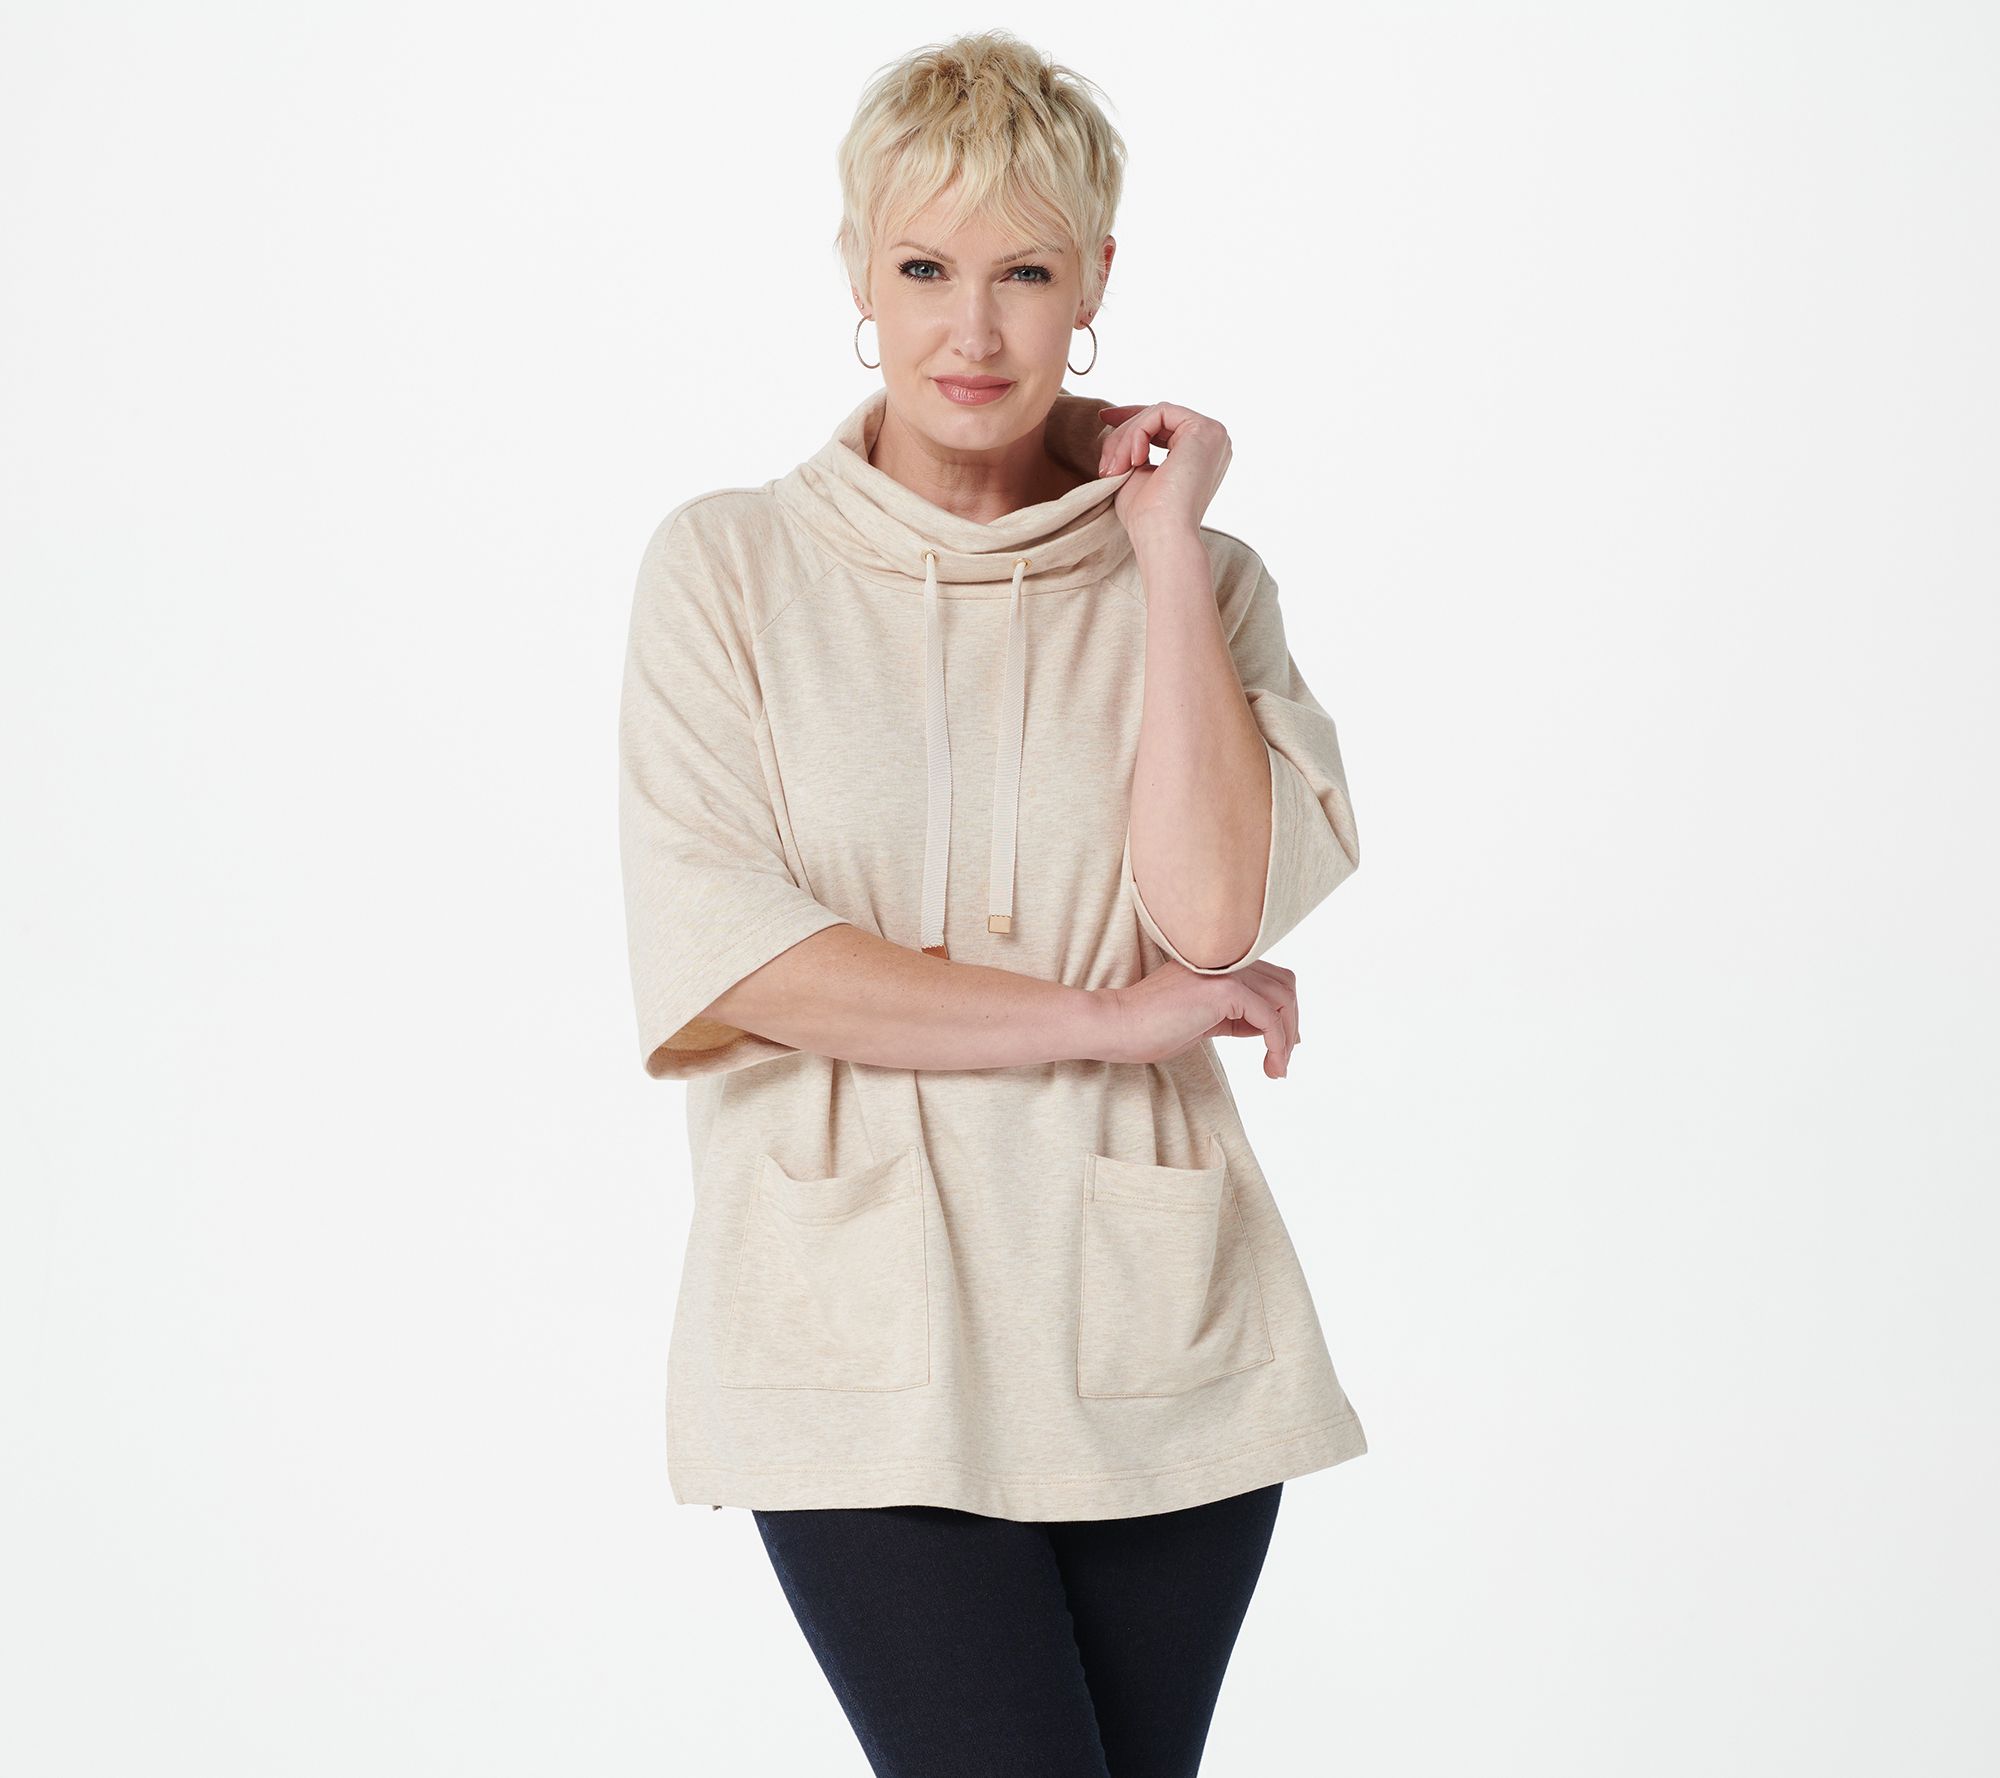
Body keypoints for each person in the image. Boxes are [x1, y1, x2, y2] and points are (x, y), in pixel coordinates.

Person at [617, 29, 1368, 1777]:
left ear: (1094, 282)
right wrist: (1105, 1020)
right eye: (924, 269)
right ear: (855, 276)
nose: (973, 328)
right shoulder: (729, 569)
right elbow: (750, 960)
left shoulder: (1206, 577)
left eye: (1025, 272)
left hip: (1155, 1333)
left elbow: (1210, 915)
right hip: (854, 1338)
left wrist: (1160, 544)